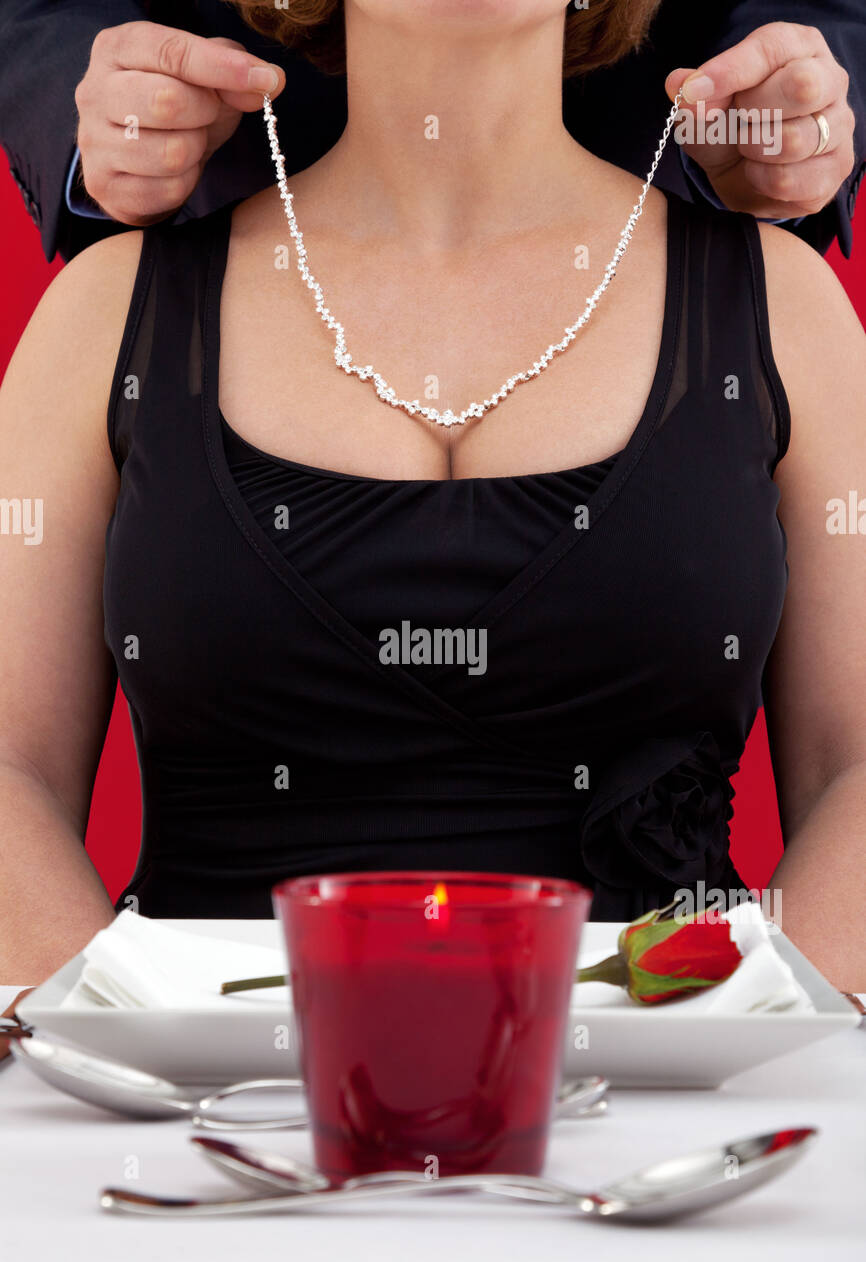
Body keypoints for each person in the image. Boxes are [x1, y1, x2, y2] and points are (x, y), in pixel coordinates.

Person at [1, 0, 865, 1000]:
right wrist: (116, 1050)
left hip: (667, 1082)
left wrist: (753, 1034)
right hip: (208, 1118)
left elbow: (854, 766)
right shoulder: (112, 313)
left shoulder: (779, 307)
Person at [0, 0, 863, 261]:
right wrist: (112, 114)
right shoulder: (110, 340)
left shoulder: (783, 335)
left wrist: (786, 105)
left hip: (676, 201)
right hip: (225, 219)